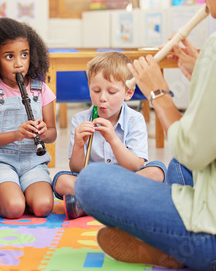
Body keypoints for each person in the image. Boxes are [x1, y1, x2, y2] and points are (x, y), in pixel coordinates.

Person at [75, 0, 216, 269]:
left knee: (90, 182)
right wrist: (203, 73)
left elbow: (194, 150)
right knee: (177, 173)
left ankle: (176, 251)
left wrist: (158, 93)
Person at [52, 51, 166, 219]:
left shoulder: (135, 120)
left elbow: (135, 166)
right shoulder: (80, 119)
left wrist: (113, 139)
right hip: (93, 181)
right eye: (96, 90)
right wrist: (78, 145)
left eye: (111, 92)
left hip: (127, 179)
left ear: (128, 93)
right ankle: (123, 203)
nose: (102, 98)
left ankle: (91, 205)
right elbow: (77, 170)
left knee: (158, 171)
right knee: (61, 181)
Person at [0, 13, 57, 219]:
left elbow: (52, 133)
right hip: (0, 161)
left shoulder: (40, 89)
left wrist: (44, 133)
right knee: (14, 209)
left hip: (33, 161)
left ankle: (22, 191)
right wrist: (17, 134)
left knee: (43, 208)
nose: (19, 63)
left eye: (24, 54)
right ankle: (1, 196)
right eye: (9, 56)